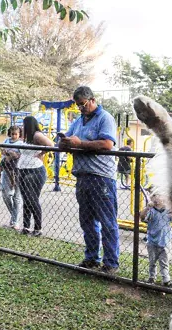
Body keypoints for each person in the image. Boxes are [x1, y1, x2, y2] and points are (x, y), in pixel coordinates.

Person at [59, 86, 120, 275]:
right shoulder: (79, 121)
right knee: (87, 221)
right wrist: (65, 142)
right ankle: (92, 258)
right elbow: (69, 139)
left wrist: (80, 144)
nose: (81, 108)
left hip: (101, 178)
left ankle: (111, 263)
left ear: (92, 100)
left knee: (107, 222)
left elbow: (107, 144)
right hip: (82, 176)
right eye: (78, 105)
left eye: (83, 104)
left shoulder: (105, 118)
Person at [17, 116, 54, 236]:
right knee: (26, 200)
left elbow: (51, 145)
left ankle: (38, 228)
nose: (22, 127)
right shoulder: (25, 137)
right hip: (22, 170)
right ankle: (26, 227)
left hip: (34, 171)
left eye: (24, 124)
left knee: (32, 199)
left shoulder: (36, 135)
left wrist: (42, 153)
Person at [140, 192, 172, 288]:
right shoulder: (151, 210)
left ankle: (166, 279)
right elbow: (142, 217)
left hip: (164, 241)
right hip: (152, 241)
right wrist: (147, 207)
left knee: (164, 262)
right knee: (152, 261)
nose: (156, 198)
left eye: (159, 195)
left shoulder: (168, 211)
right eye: (153, 195)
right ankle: (152, 277)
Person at [0, 125, 23, 230]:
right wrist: (8, 153)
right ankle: (14, 217)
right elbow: (3, 151)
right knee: (6, 194)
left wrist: (9, 153)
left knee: (16, 196)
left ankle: (15, 221)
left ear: (19, 134)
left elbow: (17, 155)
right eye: (12, 134)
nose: (13, 136)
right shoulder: (6, 141)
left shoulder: (21, 143)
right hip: (6, 169)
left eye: (16, 134)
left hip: (17, 170)